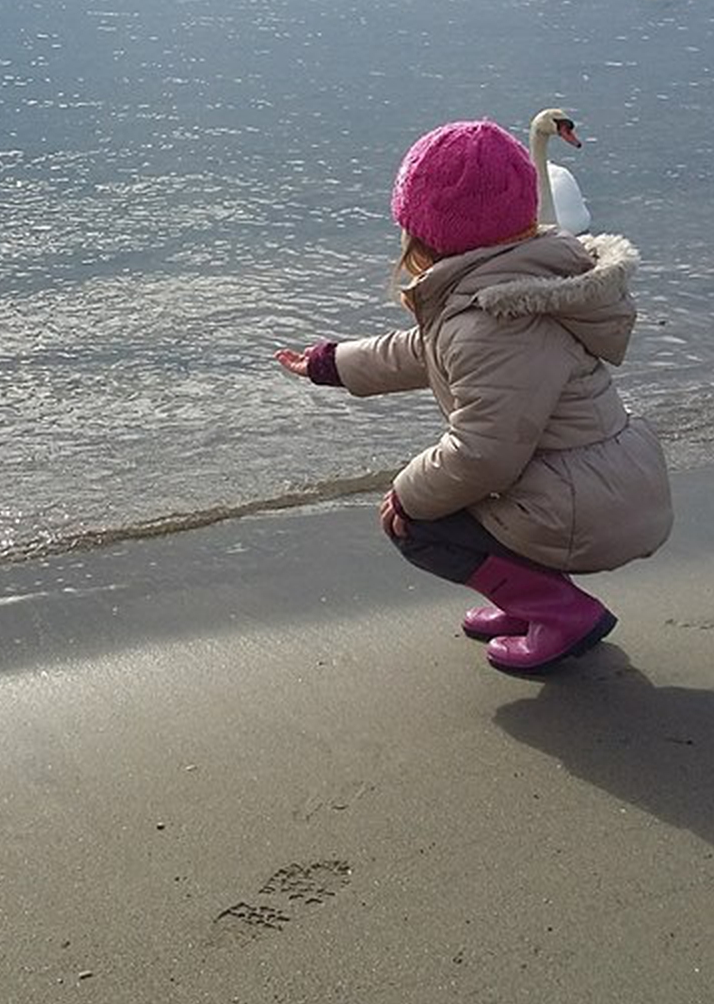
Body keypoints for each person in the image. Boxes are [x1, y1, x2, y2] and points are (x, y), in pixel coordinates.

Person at [276, 119, 672, 673]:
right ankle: (530, 597)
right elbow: (427, 351)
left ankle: (560, 612)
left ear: (426, 233)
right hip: (604, 487)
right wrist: (332, 363)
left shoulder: (492, 322)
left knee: (416, 523)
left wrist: (406, 492)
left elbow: (485, 453)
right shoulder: (516, 287)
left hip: (587, 509)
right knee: (456, 496)